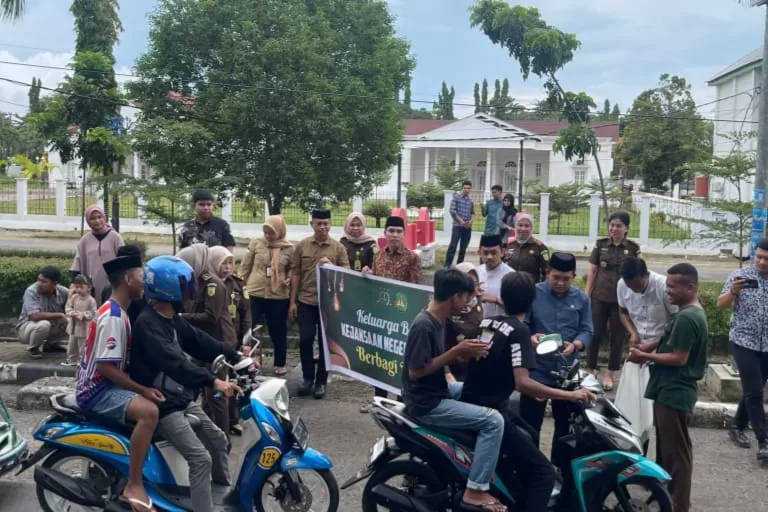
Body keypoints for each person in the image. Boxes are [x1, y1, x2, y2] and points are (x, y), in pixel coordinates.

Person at [461, 271, 594, 512]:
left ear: (503, 297)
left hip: (477, 401)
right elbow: (523, 383)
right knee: (543, 474)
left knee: (530, 434)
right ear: (531, 301)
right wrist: (571, 395)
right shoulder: (519, 331)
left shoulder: (488, 322)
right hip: (491, 411)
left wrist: (534, 389)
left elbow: (497, 367)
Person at [131, 256, 243, 512]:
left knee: (217, 438)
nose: (190, 292)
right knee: (200, 458)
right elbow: (174, 364)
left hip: (178, 397)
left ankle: (223, 495)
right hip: (161, 403)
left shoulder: (171, 318)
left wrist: (234, 354)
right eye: (185, 287)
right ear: (167, 289)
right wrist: (212, 381)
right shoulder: (148, 323)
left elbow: (199, 341)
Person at [402, 268, 505, 512]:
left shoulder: (440, 321)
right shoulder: (424, 326)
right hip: (426, 402)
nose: (469, 303)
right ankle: (476, 489)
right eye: (467, 298)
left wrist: (466, 354)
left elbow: (442, 357)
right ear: (454, 296)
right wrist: (456, 353)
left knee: (479, 389)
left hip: (439, 389)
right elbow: (416, 371)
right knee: (494, 422)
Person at [75, 252, 162, 512]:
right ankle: (134, 485)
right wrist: (143, 390)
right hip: (97, 390)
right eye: (140, 276)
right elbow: (106, 368)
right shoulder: (113, 316)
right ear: (127, 279)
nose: (144, 281)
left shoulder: (119, 311)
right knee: (149, 412)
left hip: (104, 384)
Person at [629, 263, 707, 512]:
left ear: (690, 287)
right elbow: (665, 340)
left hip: (674, 391)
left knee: (677, 455)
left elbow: (679, 358)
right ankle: (669, 498)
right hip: (670, 390)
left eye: (673, 287)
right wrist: (648, 349)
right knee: (672, 450)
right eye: (667, 286)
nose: (668, 291)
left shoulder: (687, 317)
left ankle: (678, 504)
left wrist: (645, 358)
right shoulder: (687, 313)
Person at [520, 252, 593, 451]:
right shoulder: (533, 294)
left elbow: (587, 329)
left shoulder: (581, 299)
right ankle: (531, 468)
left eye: (566, 279)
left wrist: (577, 344)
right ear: (547, 273)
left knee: (566, 428)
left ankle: (559, 469)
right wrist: (531, 338)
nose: (560, 283)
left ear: (574, 276)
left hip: (567, 372)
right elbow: (523, 325)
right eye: (556, 278)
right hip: (537, 370)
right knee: (529, 425)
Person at [359, 215, 422, 412]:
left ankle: (401, 404)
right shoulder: (378, 255)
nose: (394, 235)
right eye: (391, 231)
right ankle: (379, 402)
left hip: (401, 320)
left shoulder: (412, 258)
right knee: (381, 360)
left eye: (398, 231)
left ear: (404, 234)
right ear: (385, 233)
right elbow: (375, 282)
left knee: (400, 361)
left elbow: (415, 289)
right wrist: (367, 274)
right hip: (381, 318)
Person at [176, 244, 237, 441]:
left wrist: (182, 317)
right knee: (194, 387)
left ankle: (223, 439)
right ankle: (199, 433)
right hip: (201, 345)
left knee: (216, 395)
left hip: (217, 343)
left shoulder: (213, 285)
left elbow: (211, 317)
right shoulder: (197, 283)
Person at [289, 209, 349, 399]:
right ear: (312, 224)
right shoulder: (302, 246)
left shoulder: (338, 248)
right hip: (306, 301)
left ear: (330, 224)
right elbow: (296, 274)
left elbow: (346, 274)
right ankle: (307, 378)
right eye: (318, 223)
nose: (322, 227)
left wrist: (332, 265)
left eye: (326, 223)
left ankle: (321, 382)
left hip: (328, 304)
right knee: (305, 340)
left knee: (325, 345)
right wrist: (292, 302)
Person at [717, 237, 768, 458]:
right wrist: (734, 292)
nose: (762, 262)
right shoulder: (740, 277)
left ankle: (737, 426)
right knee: (755, 392)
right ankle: (764, 442)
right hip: (743, 341)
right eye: (759, 257)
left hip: (766, 346)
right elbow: (720, 305)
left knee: (753, 389)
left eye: (767, 259)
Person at [585, 211, 641, 390]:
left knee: (617, 337)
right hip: (600, 296)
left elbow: (636, 273)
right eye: (612, 225)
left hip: (621, 300)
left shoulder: (632, 248)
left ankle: (610, 373)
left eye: (619, 226)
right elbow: (593, 271)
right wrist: (587, 294)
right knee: (594, 334)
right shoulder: (600, 245)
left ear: (626, 228)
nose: (614, 229)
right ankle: (592, 369)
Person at [240, 215, 294, 376]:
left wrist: (289, 277)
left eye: (271, 233)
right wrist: (239, 283)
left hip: (278, 295)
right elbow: (245, 265)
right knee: (248, 327)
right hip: (255, 291)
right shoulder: (256, 243)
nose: (268, 236)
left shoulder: (289, 248)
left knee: (277, 329)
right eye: (265, 232)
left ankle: (280, 362)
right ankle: (248, 359)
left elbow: (293, 268)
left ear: (280, 231)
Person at [209, 245, 251, 436]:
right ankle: (213, 421)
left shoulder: (238, 284)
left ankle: (233, 419)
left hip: (233, 338)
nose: (227, 267)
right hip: (214, 339)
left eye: (230, 263)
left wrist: (246, 341)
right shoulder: (209, 285)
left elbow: (246, 313)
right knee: (215, 381)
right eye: (223, 263)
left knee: (234, 380)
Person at [618, 258, 678, 349]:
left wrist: (655, 345)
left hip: (664, 343)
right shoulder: (621, 285)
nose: (635, 290)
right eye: (630, 287)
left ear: (646, 275)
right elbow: (623, 312)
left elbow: (677, 319)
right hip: (639, 343)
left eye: (639, 285)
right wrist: (633, 332)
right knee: (631, 363)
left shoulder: (663, 286)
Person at [70, 204, 125, 302]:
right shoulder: (85, 240)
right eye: (92, 218)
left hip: (111, 284)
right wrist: (75, 284)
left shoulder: (115, 237)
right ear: (88, 221)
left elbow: (123, 260)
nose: (97, 221)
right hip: (91, 285)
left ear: (104, 218)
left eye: (99, 217)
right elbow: (77, 262)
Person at [16, 266, 69, 359]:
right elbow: (34, 316)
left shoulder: (63, 292)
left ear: (54, 283)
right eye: (39, 280)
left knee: (73, 320)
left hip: (51, 327)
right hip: (27, 329)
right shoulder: (31, 291)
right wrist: (60, 315)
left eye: (44, 281)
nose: (39, 284)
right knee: (44, 324)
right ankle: (33, 348)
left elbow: (74, 304)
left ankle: (51, 345)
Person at [444, 262, 484, 383]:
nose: (472, 288)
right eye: (467, 283)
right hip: (450, 372)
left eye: (474, 283)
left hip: (472, 369)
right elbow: (437, 347)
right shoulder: (447, 309)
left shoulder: (478, 303)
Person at [99, 245, 149, 326]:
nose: (142, 282)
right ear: (128, 278)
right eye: (140, 275)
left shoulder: (107, 291)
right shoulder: (113, 318)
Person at [502, 213, 549, 283]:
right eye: (520, 225)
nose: (523, 228)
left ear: (532, 228)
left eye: (527, 226)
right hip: (509, 288)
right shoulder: (508, 245)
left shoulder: (540, 248)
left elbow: (546, 273)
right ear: (515, 227)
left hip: (530, 290)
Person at [63, 274, 97, 366]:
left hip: (84, 326)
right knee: (72, 343)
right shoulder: (74, 298)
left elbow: (94, 312)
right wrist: (72, 313)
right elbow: (68, 307)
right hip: (74, 325)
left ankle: (83, 359)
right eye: (76, 287)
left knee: (82, 344)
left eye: (81, 287)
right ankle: (71, 358)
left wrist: (84, 315)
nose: (78, 290)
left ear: (89, 287)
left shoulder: (91, 300)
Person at [476, 234, 514, 318]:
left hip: (502, 326)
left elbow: (517, 308)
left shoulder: (511, 276)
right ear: (479, 253)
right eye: (485, 253)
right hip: (477, 325)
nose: (489, 257)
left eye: (494, 253)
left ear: (502, 252)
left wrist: (495, 300)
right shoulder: (476, 273)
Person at [444, 180, 475, 267]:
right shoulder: (456, 198)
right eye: (465, 188)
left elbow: (473, 212)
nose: (466, 190)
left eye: (468, 188)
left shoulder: (471, 201)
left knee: (463, 248)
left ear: (470, 189)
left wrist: (471, 221)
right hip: (458, 226)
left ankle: (459, 266)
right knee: (453, 246)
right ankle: (447, 265)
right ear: (462, 188)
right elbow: (452, 211)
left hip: (467, 228)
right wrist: (461, 221)